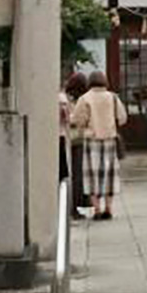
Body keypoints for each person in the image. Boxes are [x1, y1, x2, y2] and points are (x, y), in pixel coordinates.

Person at [72, 70, 128, 221]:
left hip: (92, 141)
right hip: (109, 140)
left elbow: (78, 120)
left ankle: (96, 209)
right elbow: (122, 118)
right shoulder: (113, 97)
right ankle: (108, 209)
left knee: (91, 176)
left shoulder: (85, 98)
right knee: (109, 175)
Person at [64, 71, 89, 218]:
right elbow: (76, 120)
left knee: (71, 174)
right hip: (78, 140)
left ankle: (74, 206)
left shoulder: (66, 99)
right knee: (77, 175)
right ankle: (75, 206)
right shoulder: (80, 101)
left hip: (68, 140)